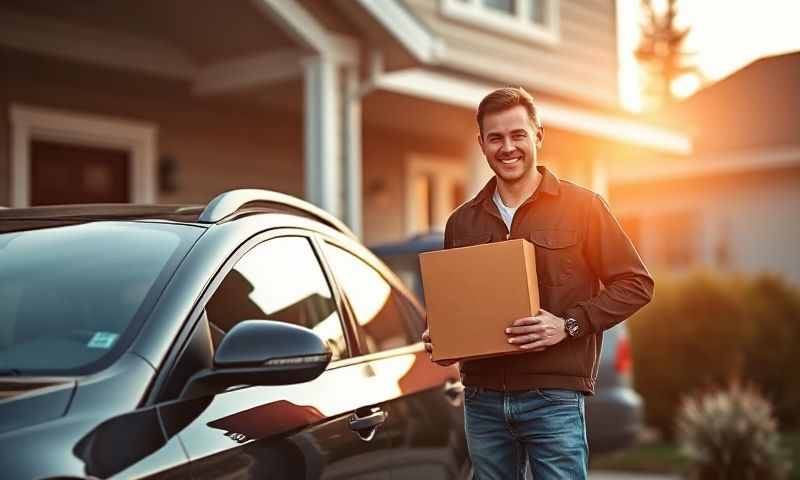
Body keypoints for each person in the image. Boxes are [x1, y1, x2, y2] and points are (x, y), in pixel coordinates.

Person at [421, 87, 654, 479]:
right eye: (495, 138)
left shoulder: (584, 208)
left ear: (538, 136)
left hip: (554, 397)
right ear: (481, 144)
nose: (507, 147)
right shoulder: (461, 222)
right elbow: (457, 304)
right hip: (482, 398)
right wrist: (443, 338)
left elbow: (636, 284)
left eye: (518, 135)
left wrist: (568, 326)